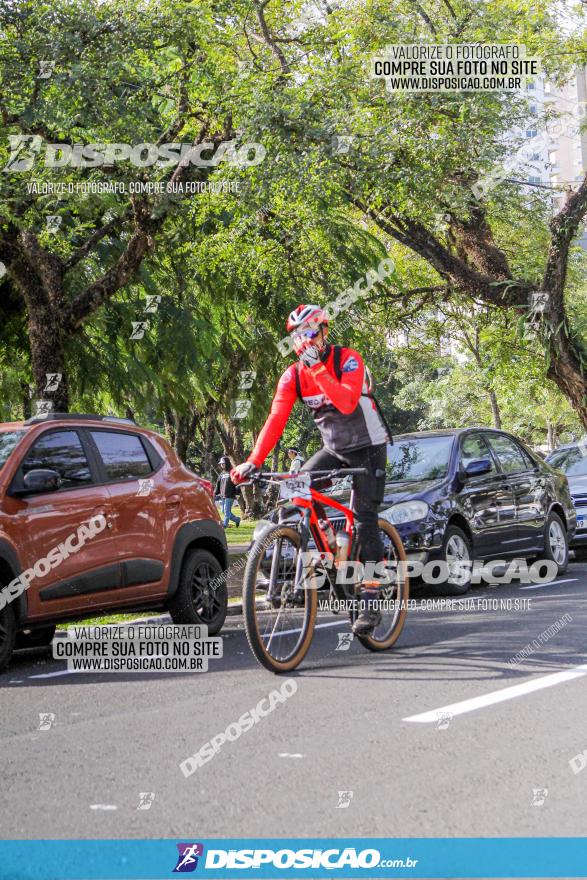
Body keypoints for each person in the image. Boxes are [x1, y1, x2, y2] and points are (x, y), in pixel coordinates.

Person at [231, 304, 390, 634]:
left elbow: (346, 402)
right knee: (298, 490)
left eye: (310, 334)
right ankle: (329, 550)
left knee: (364, 519)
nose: (304, 342)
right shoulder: (292, 375)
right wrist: (253, 461)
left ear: (324, 333)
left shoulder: (347, 359)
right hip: (334, 449)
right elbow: (276, 419)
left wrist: (318, 368)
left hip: (369, 448)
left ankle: (372, 598)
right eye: (298, 337)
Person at [214, 456, 241, 529]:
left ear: (227, 463)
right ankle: (237, 519)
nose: (222, 465)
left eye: (223, 463)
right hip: (222, 495)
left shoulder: (232, 472)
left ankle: (224, 525)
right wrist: (215, 493)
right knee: (223, 511)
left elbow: (237, 483)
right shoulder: (222, 474)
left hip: (230, 495)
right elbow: (218, 484)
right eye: (221, 464)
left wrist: (237, 493)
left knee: (226, 511)